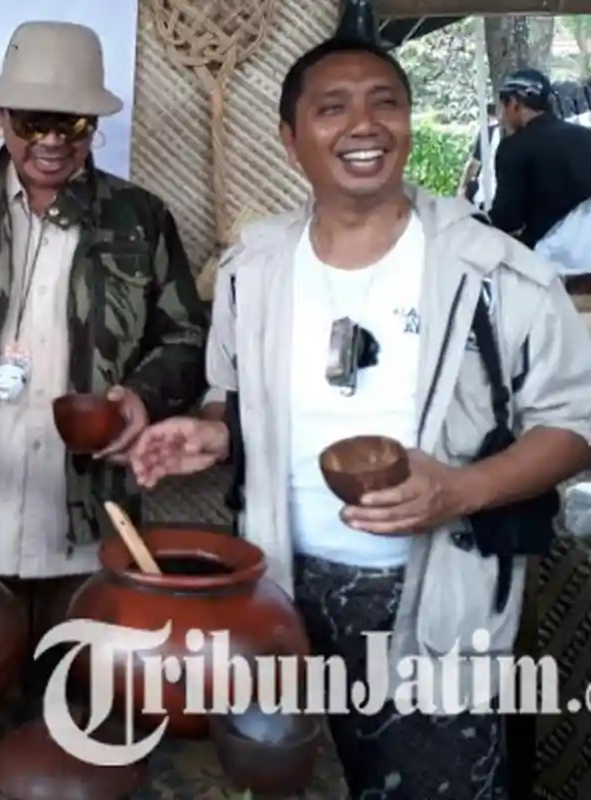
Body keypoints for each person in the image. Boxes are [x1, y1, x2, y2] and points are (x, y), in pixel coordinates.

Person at [130, 38, 591, 799]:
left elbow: (575, 422)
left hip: (442, 599)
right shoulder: (255, 270)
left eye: (385, 102)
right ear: (290, 139)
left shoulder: (493, 271)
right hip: (280, 591)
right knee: (294, 783)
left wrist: (464, 490)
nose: (364, 124)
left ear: (408, 123)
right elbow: (234, 397)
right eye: (332, 107)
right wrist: (213, 431)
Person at [0, 20, 209, 677]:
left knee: (83, 715)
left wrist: (143, 399)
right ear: (1, 117)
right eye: (34, 121)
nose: (53, 141)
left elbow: (186, 337)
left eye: (74, 124)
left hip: (93, 531)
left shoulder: (140, 219)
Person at [489, 68, 591, 249]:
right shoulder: (586, 136)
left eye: (502, 106)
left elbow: (508, 219)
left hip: (544, 261)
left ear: (513, 103)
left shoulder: (514, 147)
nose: (502, 115)